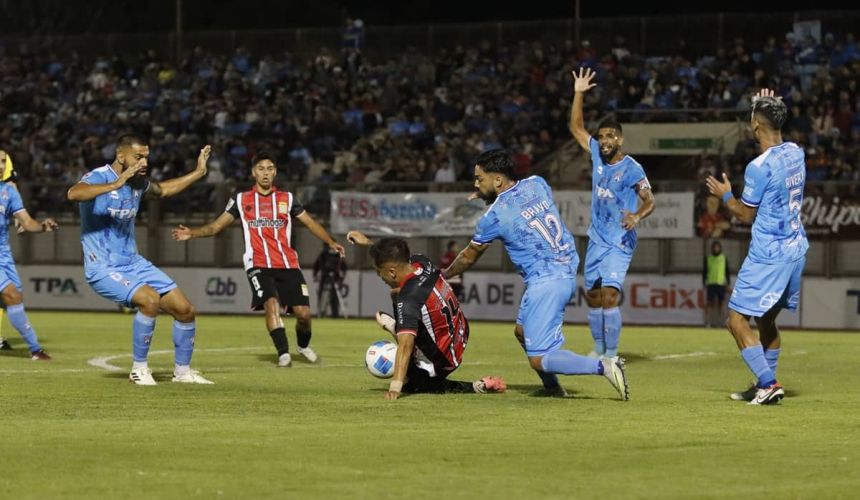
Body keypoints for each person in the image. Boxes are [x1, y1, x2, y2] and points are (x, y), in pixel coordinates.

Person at [443, 149, 629, 400]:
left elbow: (468, 256)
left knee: (540, 359)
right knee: (522, 332)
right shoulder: (537, 183)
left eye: (479, 178)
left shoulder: (493, 217)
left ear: (497, 180)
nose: (476, 183)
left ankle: (605, 366)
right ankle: (553, 389)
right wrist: (490, 195)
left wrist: (444, 275)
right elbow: (519, 202)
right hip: (564, 267)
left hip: (547, 281)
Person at [172, 152, 345, 367]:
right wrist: (193, 233)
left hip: (288, 263)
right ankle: (283, 354)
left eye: (270, 168)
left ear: (275, 172)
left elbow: (310, 223)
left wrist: (330, 241)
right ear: (254, 172)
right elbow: (216, 227)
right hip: (258, 263)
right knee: (271, 304)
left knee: (304, 315)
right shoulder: (240, 200)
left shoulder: (288, 199)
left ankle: (302, 346)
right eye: (261, 168)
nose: (265, 173)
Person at [67, 135, 214, 385]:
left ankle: (182, 372)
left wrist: (198, 173)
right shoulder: (98, 177)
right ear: (121, 156)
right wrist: (117, 182)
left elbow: (163, 189)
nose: (144, 161)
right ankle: (139, 369)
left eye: (146, 156)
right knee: (149, 299)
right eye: (139, 157)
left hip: (133, 263)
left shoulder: (137, 182)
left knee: (185, 310)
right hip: (103, 266)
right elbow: (74, 194)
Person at [705, 88, 807, 405]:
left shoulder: (758, 167)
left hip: (769, 256)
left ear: (755, 126)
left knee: (735, 321)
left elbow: (745, 214)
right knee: (766, 321)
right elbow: (770, 117)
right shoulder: (796, 152)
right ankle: (763, 383)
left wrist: (725, 195)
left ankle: (768, 383)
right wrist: (764, 103)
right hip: (796, 249)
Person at [346, 231, 506, 400]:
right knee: (397, 295)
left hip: (443, 360)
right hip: (460, 334)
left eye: (380, 272)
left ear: (392, 272)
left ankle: (476, 386)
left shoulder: (409, 298)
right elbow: (395, 255)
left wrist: (395, 387)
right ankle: (401, 327)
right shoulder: (422, 261)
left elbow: (406, 347)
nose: (380, 277)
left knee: (416, 384)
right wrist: (369, 243)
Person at [569, 67, 656, 360]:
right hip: (597, 237)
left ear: (619, 139)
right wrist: (579, 93)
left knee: (609, 294)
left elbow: (650, 201)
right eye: (601, 136)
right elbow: (576, 128)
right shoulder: (595, 153)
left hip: (620, 239)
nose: (604, 140)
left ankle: (612, 354)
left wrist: (636, 217)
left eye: (610, 136)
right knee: (592, 296)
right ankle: (599, 349)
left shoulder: (632, 168)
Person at [0, 149, 57, 359]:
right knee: (11, 295)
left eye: (3, 161)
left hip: (4, 256)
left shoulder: (9, 191)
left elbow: (26, 222)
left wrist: (42, 227)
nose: (0, 165)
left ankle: (35, 349)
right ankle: (35, 349)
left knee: (14, 299)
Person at [313, 242, 347, 317]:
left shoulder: (338, 255)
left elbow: (343, 266)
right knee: (322, 295)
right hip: (325, 277)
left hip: (335, 278)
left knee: (334, 297)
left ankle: (335, 314)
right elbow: (317, 265)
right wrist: (315, 275)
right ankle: (321, 312)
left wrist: (341, 277)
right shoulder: (323, 255)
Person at [703, 241, 731, 328]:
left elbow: (727, 271)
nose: (716, 249)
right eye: (714, 247)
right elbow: (704, 271)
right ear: (712, 248)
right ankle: (708, 321)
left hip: (721, 283)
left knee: (721, 303)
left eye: (717, 247)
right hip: (711, 283)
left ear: (720, 248)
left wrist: (728, 282)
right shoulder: (708, 258)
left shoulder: (723, 258)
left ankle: (721, 322)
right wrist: (704, 281)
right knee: (709, 303)